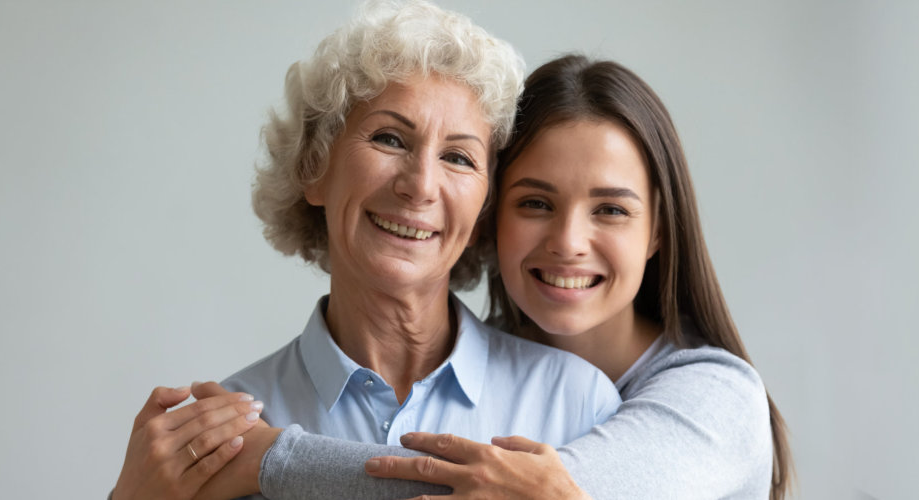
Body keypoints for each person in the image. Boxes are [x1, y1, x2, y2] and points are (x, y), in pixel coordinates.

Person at [196, 55, 795, 499]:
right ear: (490, 217)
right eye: (534, 203)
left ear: (659, 231)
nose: (567, 242)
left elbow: (524, 493)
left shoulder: (714, 399)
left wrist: (272, 458)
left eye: (611, 209)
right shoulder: (238, 402)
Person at [109, 2, 622, 499]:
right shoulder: (219, 438)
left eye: (458, 157)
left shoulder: (575, 402)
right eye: (390, 139)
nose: (420, 186)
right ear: (314, 167)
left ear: (483, 207)